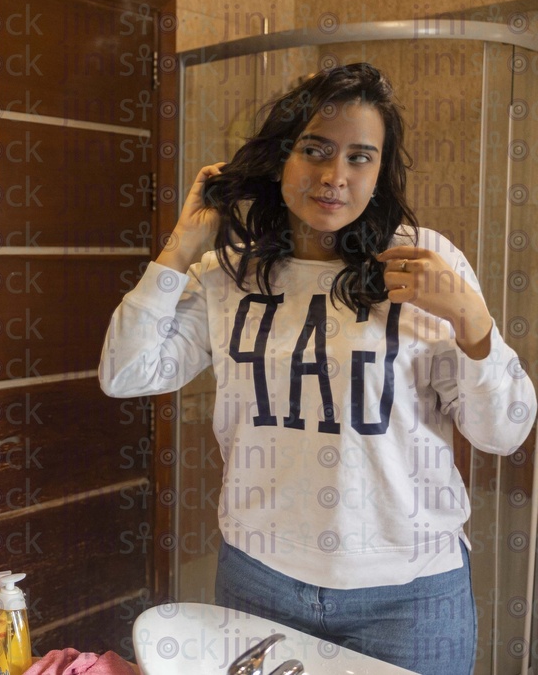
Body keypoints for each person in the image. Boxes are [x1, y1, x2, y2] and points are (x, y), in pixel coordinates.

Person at [99, 63, 536, 675]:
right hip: (260, 578)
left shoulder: (422, 261)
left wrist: (472, 321)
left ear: (379, 173)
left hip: (409, 597)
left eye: (360, 157)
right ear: (281, 157)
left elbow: (503, 432)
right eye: (315, 150)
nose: (335, 177)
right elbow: (125, 372)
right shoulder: (231, 274)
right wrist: (180, 248)